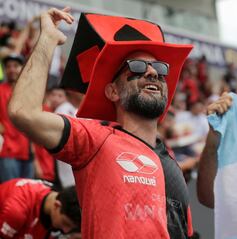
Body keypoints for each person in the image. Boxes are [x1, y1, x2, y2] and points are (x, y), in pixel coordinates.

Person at [8, 7, 193, 239]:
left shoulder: (171, 161)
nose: (152, 73)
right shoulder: (94, 138)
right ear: (113, 91)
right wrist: (46, 39)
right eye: (136, 67)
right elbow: (23, 112)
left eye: (159, 69)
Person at [0, 178, 81, 239]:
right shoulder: (17, 211)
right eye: (65, 223)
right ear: (57, 205)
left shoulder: (55, 198)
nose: (66, 231)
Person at [0, 53, 33, 183]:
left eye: (15, 65)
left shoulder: (28, 91)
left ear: (22, 68)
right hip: (8, 151)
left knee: (27, 195)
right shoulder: (0, 90)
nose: (12, 69)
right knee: (10, 192)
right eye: (8, 66)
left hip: (28, 151)